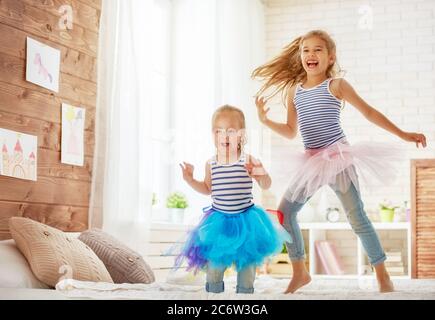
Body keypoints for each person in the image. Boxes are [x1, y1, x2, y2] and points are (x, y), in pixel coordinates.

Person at [251, 29, 427, 294]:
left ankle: (382, 275)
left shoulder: (336, 86)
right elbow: (290, 131)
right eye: (305, 50)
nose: (310, 54)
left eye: (318, 50)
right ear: (300, 56)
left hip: (338, 158)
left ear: (330, 57)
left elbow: (368, 112)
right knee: (285, 213)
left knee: (356, 216)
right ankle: (300, 272)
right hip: (311, 161)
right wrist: (265, 121)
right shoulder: (294, 92)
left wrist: (403, 134)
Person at [177, 105, 291, 294]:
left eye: (231, 131)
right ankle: (213, 293)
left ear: (242, 135)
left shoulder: (248, 160)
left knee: (247, 266)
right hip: (219, 222)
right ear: (213, 135)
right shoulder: (211, 163)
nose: (224, 136)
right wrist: (190, 180)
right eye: (218, 131)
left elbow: (266, 184)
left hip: (247, 221)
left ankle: (245, 293)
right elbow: (207, 189)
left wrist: (260, 173)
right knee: (215, 266)